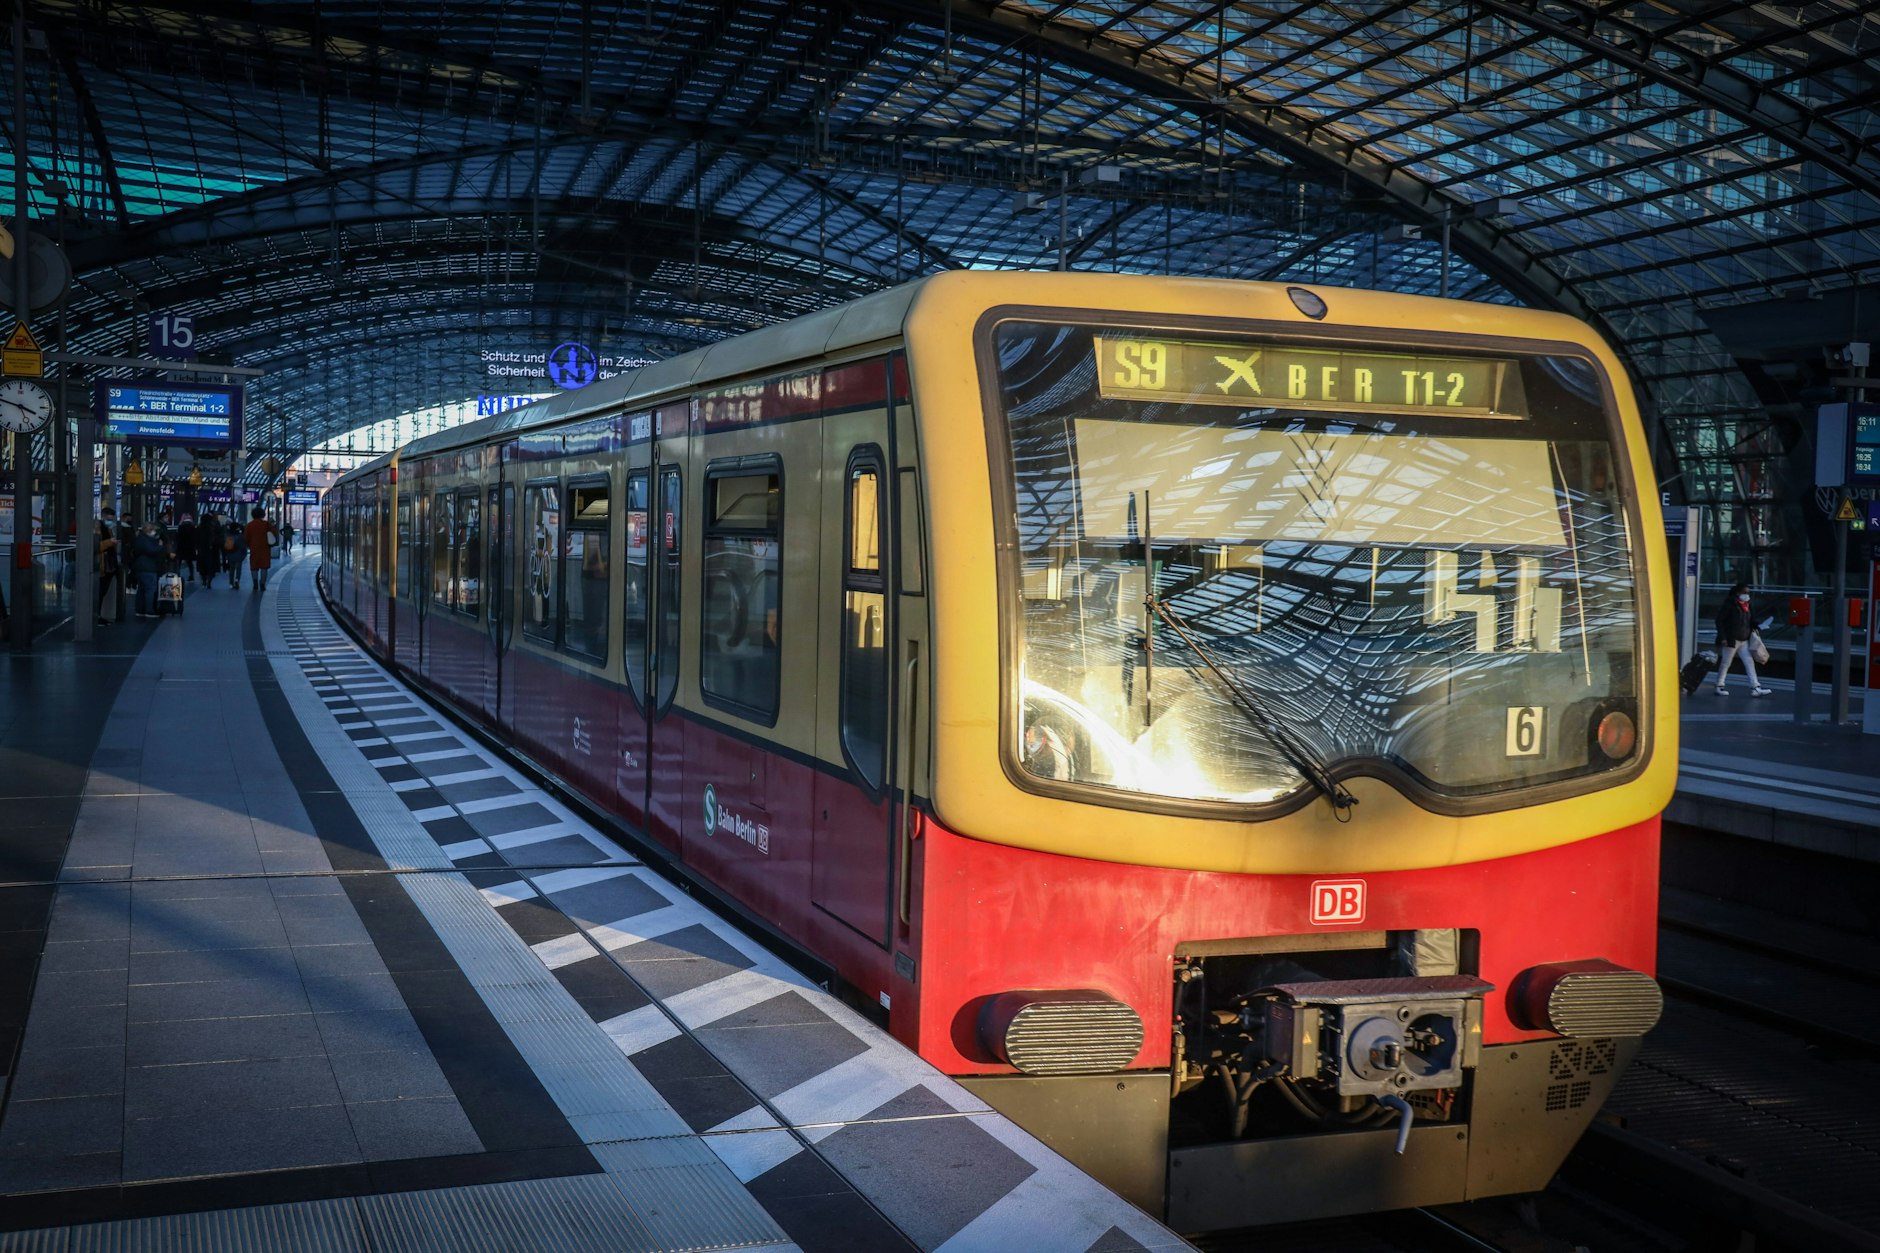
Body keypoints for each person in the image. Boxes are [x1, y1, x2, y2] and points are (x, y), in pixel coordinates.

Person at [1713, 582, 1770, 697]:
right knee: (1726, 663)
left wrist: (1758, 625)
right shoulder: (1730, 604)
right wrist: (1723, 637)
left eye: (1748, 593)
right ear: (1737, 593)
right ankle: (1719, 685)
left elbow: (1750, 620)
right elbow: (1719, 620)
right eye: (1744, 592)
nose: (1747, 595)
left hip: (1744, 639)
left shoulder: (1747, 605)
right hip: (1731, 639)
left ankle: (1755, 687)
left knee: (1749, 662)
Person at [130, 521, 166, 619]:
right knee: (150, 589)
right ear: (146, 529)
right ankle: (149, 610)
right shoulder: (144, 540)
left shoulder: (140, 539)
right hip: (148, 568)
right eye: (151, 529)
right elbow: (152, 551)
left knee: (141, 589)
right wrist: (159, 546)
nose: (153, 531)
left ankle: (140, 610)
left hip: (140, 567)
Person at [95, 507, 122, 624]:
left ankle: (100, 615)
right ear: (103, 516)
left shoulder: (109, 528)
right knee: (100, 592)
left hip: (109, 564)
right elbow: (96, 546)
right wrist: (110, 542)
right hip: (103, 564)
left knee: (103, 591)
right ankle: (97, 616)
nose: (110, 521)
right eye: (108, 518)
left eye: (111, 519)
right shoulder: (97, 528)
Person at [244, 506, 280, 591]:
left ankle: (255, 583)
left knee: (254, 566)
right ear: (263, 514)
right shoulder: (266, 524)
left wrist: (249, 545)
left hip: (254, 548)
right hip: (265, 548)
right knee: (264, 567)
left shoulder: (249, 525)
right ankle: (262, 583)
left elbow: (246, 538)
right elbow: (274, 533)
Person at [195, 514, 223, 586]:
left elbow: (196, 539)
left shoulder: (199, 527)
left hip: (202, 549)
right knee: (212, 566)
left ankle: (204, 579)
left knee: (203, 566)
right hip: (213, 549)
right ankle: (209, 580)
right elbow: (220, 537)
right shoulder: (214, 527)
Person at [223, 512, 247, 588]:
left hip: (230, 554)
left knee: (231, 569)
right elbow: (243, 546)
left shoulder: (227, 535)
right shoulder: (240, 536)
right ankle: (237, 579)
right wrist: (244, 555)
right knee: (238, 569)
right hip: (239, 555)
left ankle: (231, 583)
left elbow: (225, 546)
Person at [175, 515, 199, 583]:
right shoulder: (193, 528)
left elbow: (177, 537)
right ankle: (191, 576)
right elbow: (195, 538)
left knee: (178, 562)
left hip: (181, 547)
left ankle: (177, 574)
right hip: (190, 548)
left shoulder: (180, 527)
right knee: (190, 563)